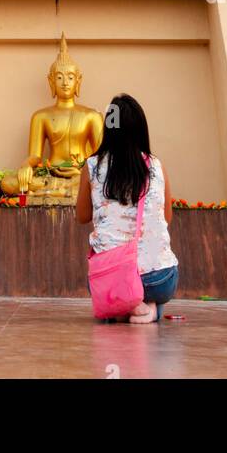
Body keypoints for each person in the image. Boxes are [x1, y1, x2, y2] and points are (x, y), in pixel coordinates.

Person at [76, 93, 179, 324]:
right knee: (153, 284)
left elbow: (81, 216)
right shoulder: (156, 165)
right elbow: (166, 218)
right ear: (141, 129)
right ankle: (149, 307)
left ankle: (127, 304)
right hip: (160, 279)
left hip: (112, 279)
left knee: (106, 287)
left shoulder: (92, 166)